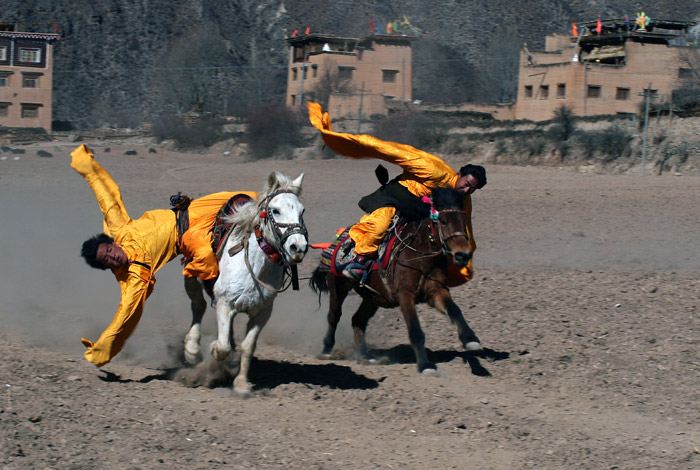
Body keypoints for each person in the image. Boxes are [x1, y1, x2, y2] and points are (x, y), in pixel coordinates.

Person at [71, 144, 257, 367]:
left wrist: (85, 165)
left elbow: (107, 197)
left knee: (249, 199)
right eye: (107, 260)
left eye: (109, 251)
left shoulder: (120, 230)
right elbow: (123, 320)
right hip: (188, 237)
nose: (112, 257)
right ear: (106, 267)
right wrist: (101, 351)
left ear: (111, 242)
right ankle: (212, 291)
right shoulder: (134, 279)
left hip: (192, 210)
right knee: (207, 258)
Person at [307, 102, 486, 284]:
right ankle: (358, 261)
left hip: (417, 209)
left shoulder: (463, 199)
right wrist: (347, 142)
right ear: (460, 174)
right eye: (466, 184)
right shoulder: (433, 170)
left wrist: (466, 259)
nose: (467, 190)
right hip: (396, 196)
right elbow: (394, 152)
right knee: (381, 223)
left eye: (472, 189)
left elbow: (466, 227)